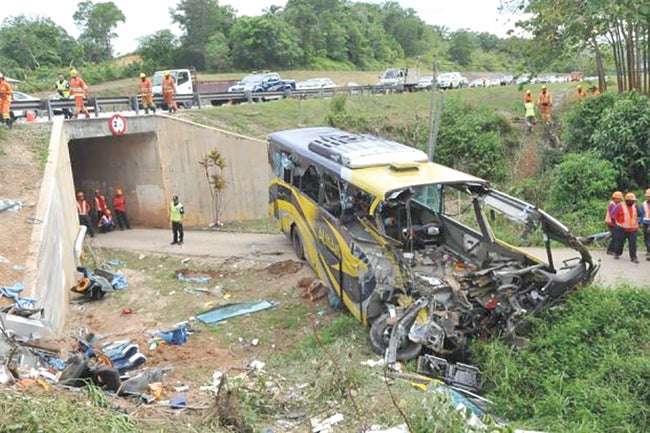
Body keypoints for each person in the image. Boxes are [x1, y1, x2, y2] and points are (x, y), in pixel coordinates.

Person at [610, 192, 639, 263]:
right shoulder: (619, 206)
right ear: (627, 200)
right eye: (631, 201)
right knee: (619, 242)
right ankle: (617, 253)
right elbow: (612, 214)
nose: (632, 202)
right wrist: (615, 224)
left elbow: (640, 215)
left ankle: (633, 257)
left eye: (633, 201)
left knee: (633, 243)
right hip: (621, 228)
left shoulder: (635, 206)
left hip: (633, 229)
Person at [605, 191, 623, 255]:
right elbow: (612, 214)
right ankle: (610, 250)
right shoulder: (612, 204)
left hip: (615, 223)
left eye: (620, 199)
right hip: (610, 222)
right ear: (614, 198)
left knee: (615, 236)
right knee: (615, 237)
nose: (619, 200)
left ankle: (611, 250)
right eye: (617, 198)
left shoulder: (618, 204)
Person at [640, 188, 650, 261]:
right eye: (647, 196)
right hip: (645, 223)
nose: (648, 197)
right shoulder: (643, 204)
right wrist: (639, 222)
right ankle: (648, 250)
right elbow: (641, 214)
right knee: (646, 238)